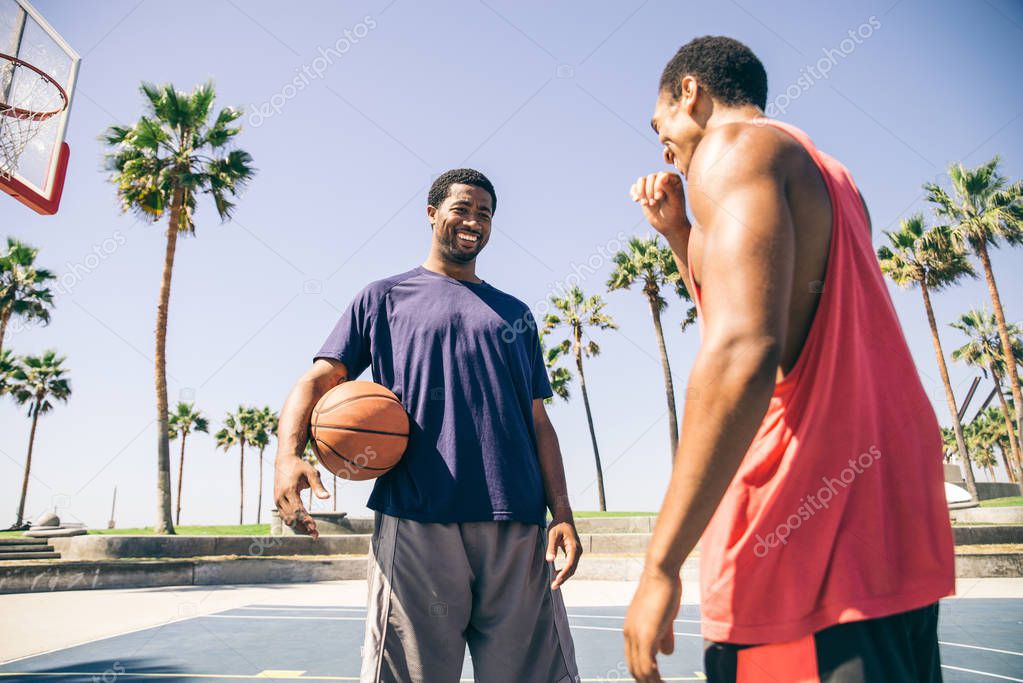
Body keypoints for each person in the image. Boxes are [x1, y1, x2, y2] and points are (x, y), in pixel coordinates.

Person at [622, 36, 954, 682]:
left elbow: (744, 347)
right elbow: (776, 306)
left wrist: (660, 562)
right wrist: (678, 235)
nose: (660, 142)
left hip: (803, 540)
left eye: (657, 120)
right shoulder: (831, 174)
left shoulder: (734, 148)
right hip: (887, 533)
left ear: (689, 93)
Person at [274, 168, 581, 683]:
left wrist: (563, 513)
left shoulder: (516, 314)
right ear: (432, 213)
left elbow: (538, 423)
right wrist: (288, 455)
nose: (473, 221)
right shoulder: (384, 298)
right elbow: (318, 379)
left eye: (485, 213)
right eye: (462, 208)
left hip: (517, 522)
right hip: (416, 518)